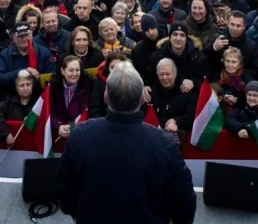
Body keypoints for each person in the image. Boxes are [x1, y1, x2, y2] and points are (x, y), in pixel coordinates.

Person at [59, 62, 195, 224]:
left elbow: (66, 195)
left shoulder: (80, 135)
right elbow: (184, 202)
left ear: (106, 96)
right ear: (141, 98)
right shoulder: (163, 143)